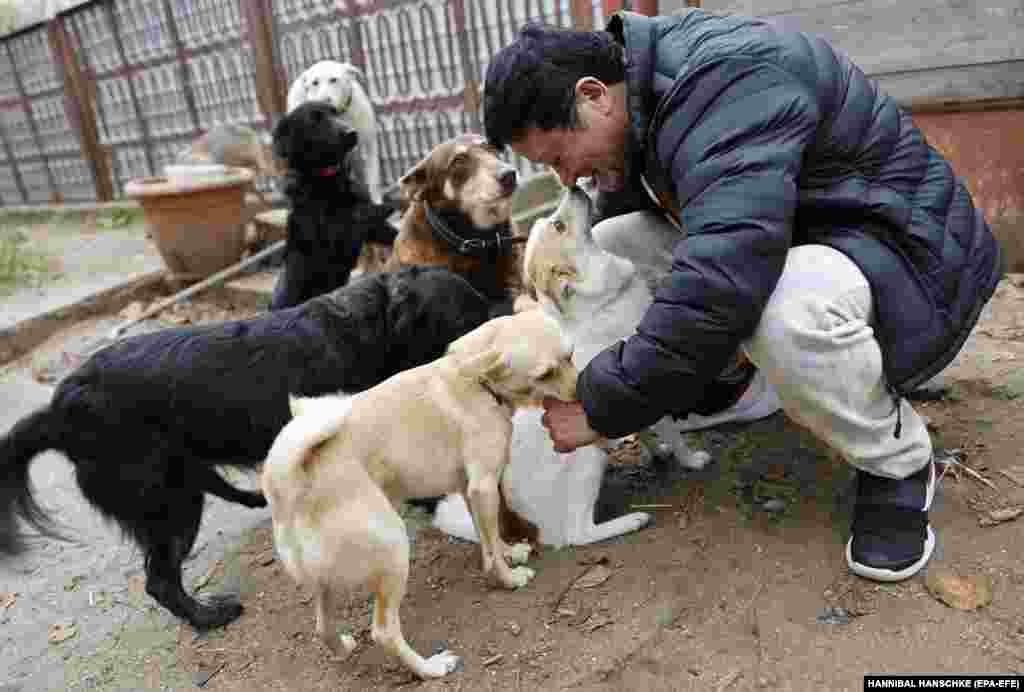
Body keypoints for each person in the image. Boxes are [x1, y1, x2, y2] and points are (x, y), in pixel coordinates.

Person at [483, 10, 1005, 582]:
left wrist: (604, 405)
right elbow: (684, 246)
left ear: (592, 96)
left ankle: (897, 462)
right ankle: (738, 390)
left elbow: (721, 278)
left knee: (780, 311)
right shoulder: (640, 94)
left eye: (559, 158)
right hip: (804, 235)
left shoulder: (724, 83)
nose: (564, 178)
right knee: (615, 245)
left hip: (906, 254)